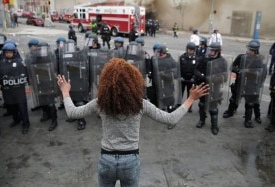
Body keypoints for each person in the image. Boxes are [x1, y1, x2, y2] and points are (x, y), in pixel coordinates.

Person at [57, 58, 208, 187]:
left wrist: (65, 91)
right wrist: (190, 99)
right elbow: (170, 118)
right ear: (134, 81)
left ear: (105, 82)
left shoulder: (100, 103)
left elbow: (72, 112)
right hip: (130, 161)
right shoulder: (141, 104)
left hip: (107, 159)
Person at [223, 40, 265, 125]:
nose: (250, 51)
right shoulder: (241, 57)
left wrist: (253, 75)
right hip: (240, 82)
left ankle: (250, 119)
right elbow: (232, 67)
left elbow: (262, 72)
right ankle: (230, 112)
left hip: (251, 84)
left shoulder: (259, 60)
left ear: (256, 51)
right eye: (249, 49)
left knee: (250, 103)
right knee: (234, 99)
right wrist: (238, 70)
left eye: (252, 50)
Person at [194, 42, 228, 135]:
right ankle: (202, 120)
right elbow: (196, 70)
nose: (210, 51)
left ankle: (214, 125)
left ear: (218, 51)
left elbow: (225, 76)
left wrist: (216, 78)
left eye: (213, 50)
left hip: (214, 87)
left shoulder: (222, 61)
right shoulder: (204, 59)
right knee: (201, 105)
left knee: (213, 108)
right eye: (210, 49)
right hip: (204, 85)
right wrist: (201, 75)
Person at [0, 42, 30, 134]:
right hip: (7, 90)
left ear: (14, 52)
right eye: (7, 52)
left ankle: (25, 124)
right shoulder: (1, 63)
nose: (8, 54)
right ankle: (16, 120)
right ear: (4, 53)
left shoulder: (20, 62)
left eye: (10, 52)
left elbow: (25, 74)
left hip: (18, 89)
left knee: (22, 107)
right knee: (12, 106)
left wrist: (15, 78)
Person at [26, 41, 58, 131]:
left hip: (49, 81)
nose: (43, 51)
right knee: (42, 100)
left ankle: (54, 120)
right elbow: (31, 66)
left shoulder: (51, 55)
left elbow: (54, 67)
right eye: (41, 49)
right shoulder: (35, 56)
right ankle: (46, 114)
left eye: (45, 49)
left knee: (50, 101)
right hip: (39, 81)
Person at [180, 42, 199, 112]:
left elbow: (197, 70)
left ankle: (189, 106)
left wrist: (194, 78)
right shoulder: (182, 57)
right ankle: (179, 104)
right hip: (182, 78)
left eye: (192, 50)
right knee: (180, 92)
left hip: (191, 80)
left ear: (194, 50)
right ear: (187, 49)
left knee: (190, 94)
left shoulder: (196, 59)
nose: (190, 51)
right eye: (189, 49)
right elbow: (179, 68)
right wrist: (180, 77)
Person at [55, 37, 67, 110]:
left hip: (65, 73)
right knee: (60, 89)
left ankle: (66, 102)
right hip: (59, 72)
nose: (60, 45)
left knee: (66, 88)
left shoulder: (67, 51)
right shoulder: (56, 52)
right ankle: (63, 103)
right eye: (59, 44)